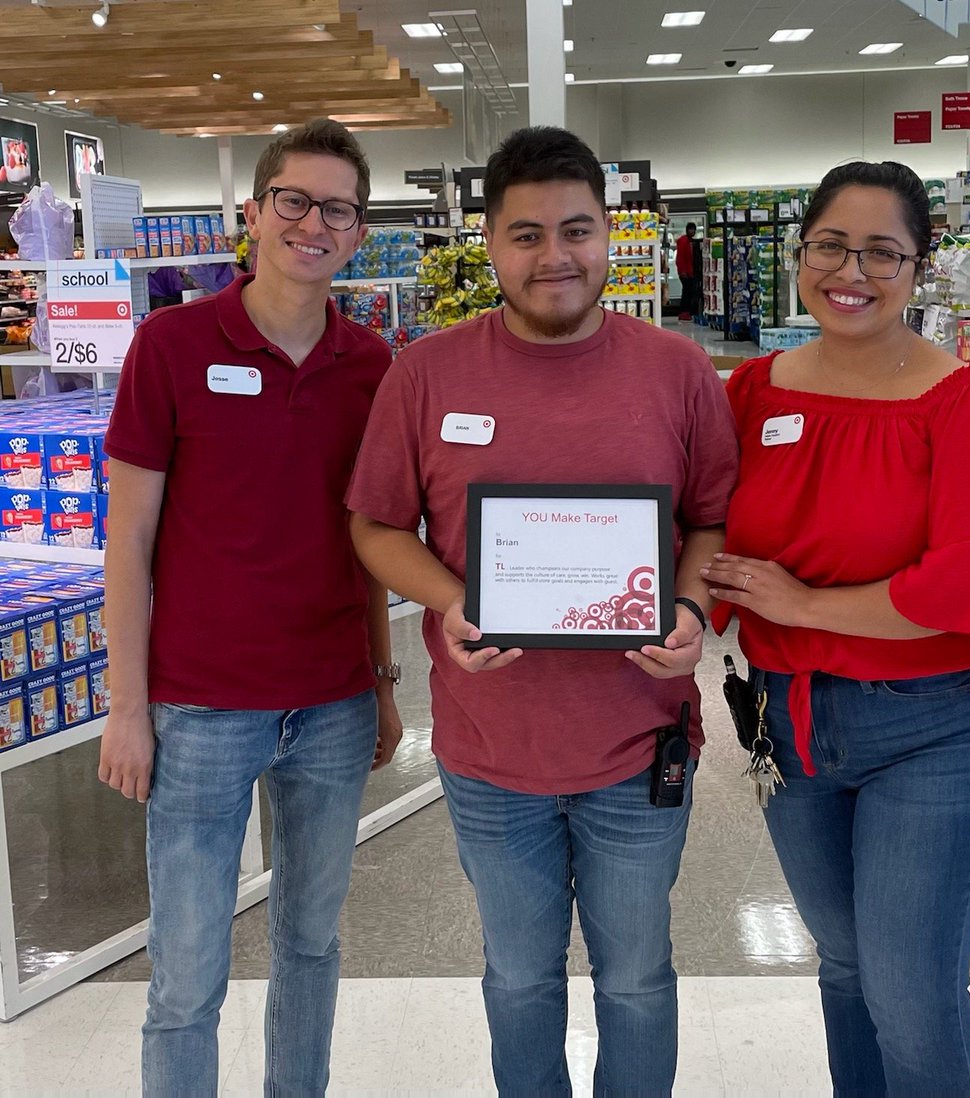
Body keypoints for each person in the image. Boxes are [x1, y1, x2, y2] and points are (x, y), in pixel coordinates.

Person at [347, 125, 737, 1096]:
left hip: (640, 748)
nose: (553, 257)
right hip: (490, 755)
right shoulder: (427, 374)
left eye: (576, 230)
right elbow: (377, 527)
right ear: (489, 243)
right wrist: (451, 602)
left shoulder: (677, 369)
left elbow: (710, 520)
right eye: (526, 235)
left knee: (638, 982)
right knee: (518, 981)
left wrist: (687, 607)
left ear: (611, 233)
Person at [702, 160, 970, 1097]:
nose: (852, 270)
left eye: (883, 252)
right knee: (846, 974)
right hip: (791, 729)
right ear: (801, 251)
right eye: (831, 245)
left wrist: (802, 604)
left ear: (920, 267)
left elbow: (966, 580)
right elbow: (709, 532)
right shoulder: (755, 391)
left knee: (913, 993)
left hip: (934, 729)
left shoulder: (962, 403)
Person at [97, 119, 404, 1096]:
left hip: (330, 707)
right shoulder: (172, 345)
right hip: (198, 712)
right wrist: (127, 706)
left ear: (358, 232)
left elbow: (371, 543)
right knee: (186, 976)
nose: (314, 223)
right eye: (295, 201)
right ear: (254, 211)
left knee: (311, 948)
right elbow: (129, 541)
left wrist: (383, 682)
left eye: (338, 209)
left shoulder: (373, 367)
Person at [675, 220, 698, 322]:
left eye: (693, 230)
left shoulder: (691, 241)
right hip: (685, 273)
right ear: (687, 230)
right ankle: (683, 312)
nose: (692, 231)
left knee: (688, 292)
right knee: (686, 292)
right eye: (690, 229)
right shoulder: (684, 241)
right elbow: (680, 258)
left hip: (690, 272)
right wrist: (683, 272)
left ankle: (686, 312)